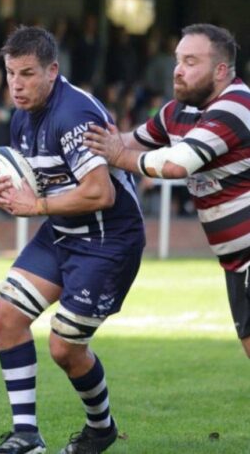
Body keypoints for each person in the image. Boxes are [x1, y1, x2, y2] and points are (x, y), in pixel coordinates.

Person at [0, 26, 145, 454]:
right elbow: (28, 185)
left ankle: (101, 428)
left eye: (27, 73)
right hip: (61, 234)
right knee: (6, 317)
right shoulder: (20, 118)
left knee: (65, 347)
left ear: (53, 70)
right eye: (11, 72)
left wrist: (36, 208)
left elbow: (100, 193)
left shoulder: (74, 115)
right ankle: (26, 436)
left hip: (108, 241)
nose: (16, 83)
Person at [84, 24, 250, 358]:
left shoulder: (237, 105)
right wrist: (77, 138)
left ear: (220, 70)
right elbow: (127, 142)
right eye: (178, 60)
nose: (178, 70)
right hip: (234, 259)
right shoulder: (178, 110)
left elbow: (176, 164)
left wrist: (118, 155)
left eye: (191, 62)